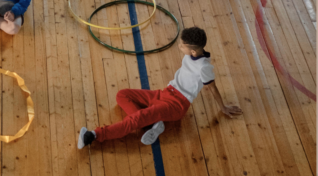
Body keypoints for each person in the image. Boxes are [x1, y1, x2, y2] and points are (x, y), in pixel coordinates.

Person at [77, 26, 241, 149]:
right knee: (122, 95)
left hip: (176, 105)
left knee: (137, 118)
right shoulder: (192, 55)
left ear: (192, 51)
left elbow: (212, 88)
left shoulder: (204, 67)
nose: (179, 46)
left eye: (182, 45)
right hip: (165, 93)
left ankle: (94, 135)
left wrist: (223, 107)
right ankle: (151, 125)